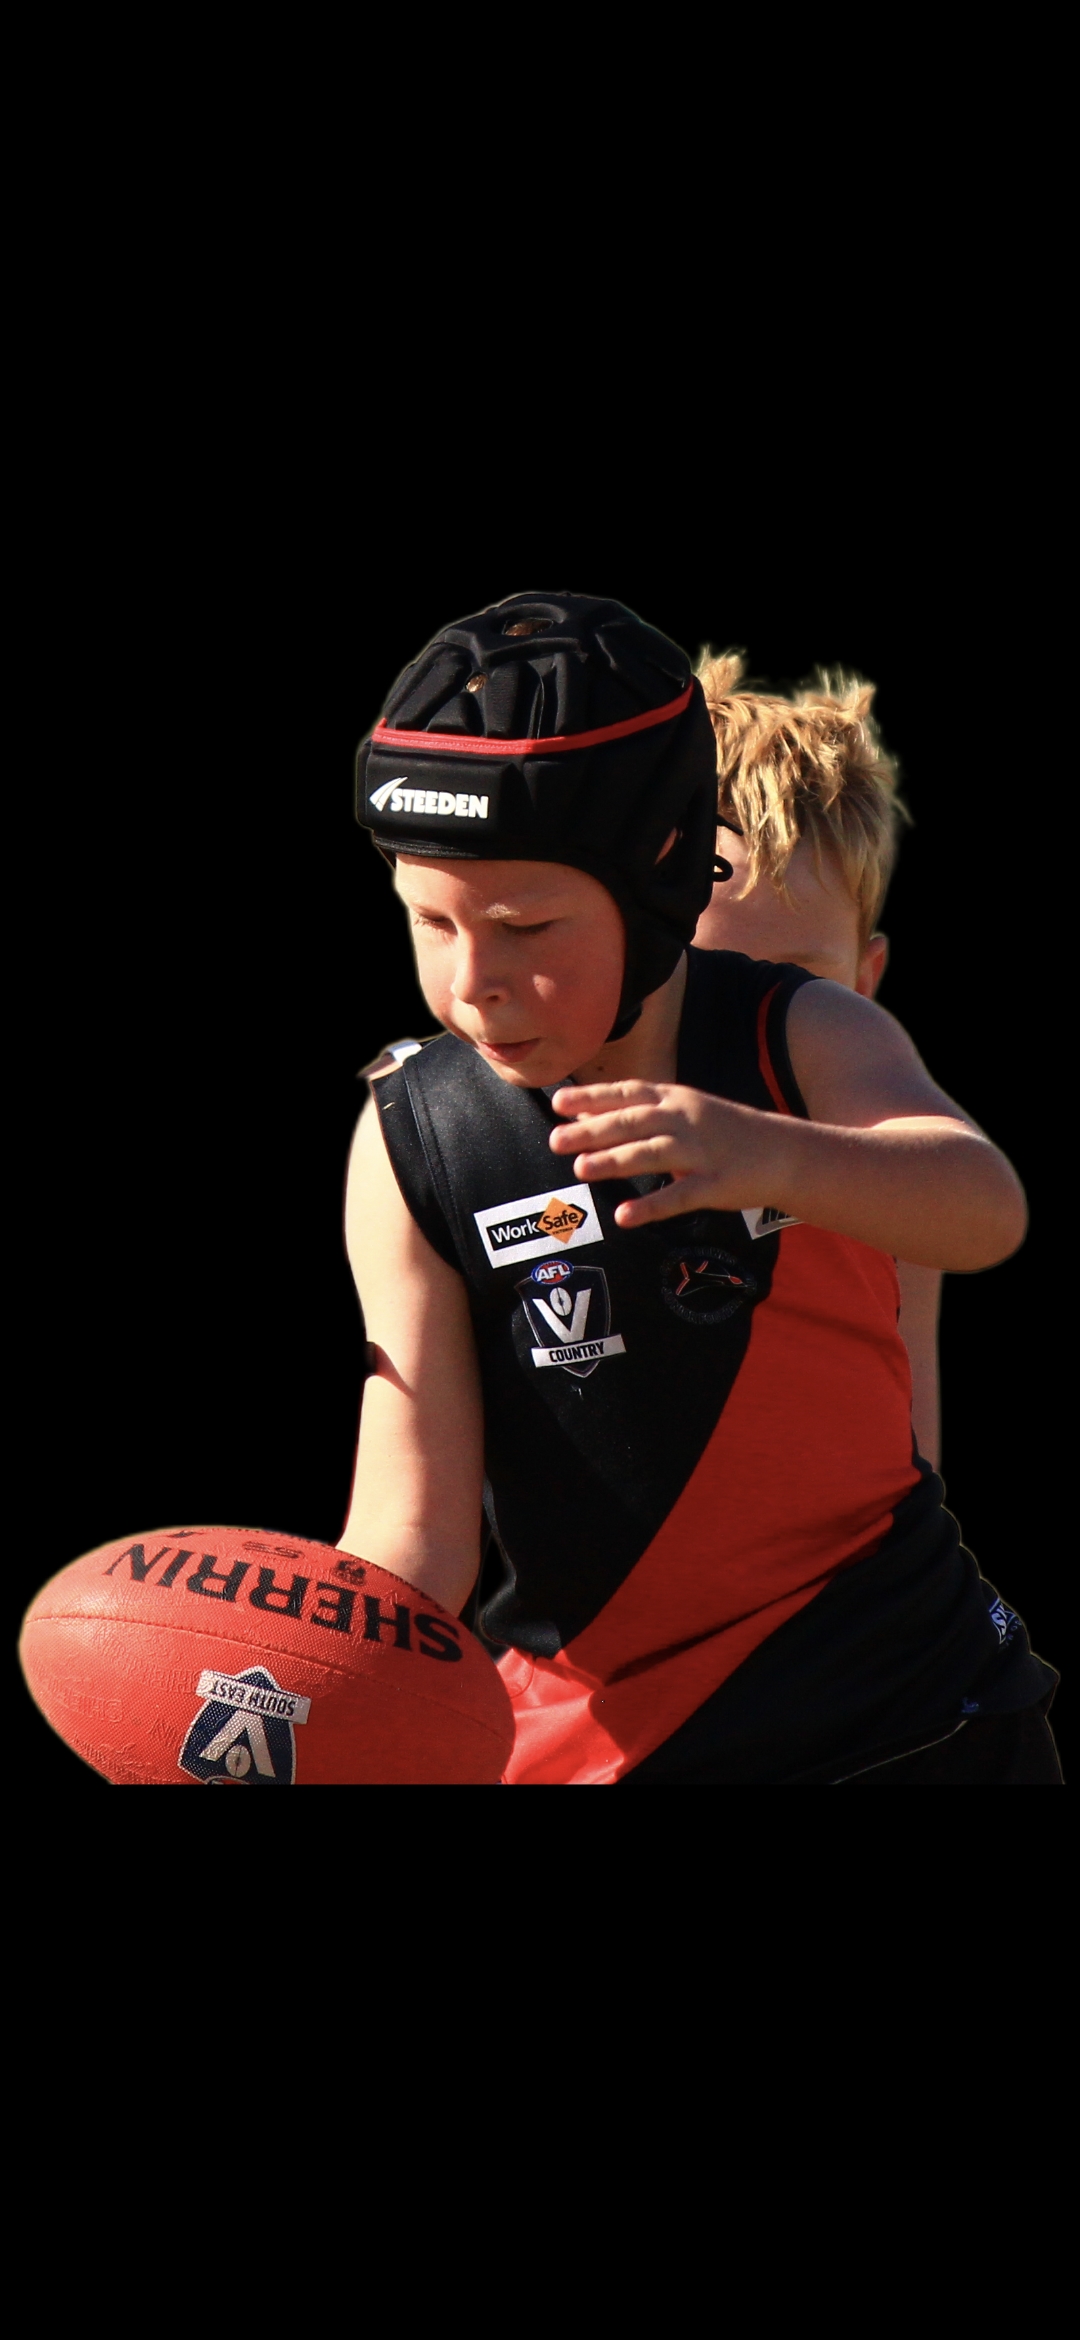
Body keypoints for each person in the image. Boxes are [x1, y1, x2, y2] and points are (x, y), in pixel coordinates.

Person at [339, 588, 1060, 1785]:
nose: (475, 982)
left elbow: (984, 1210)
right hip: (601, 1750)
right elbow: (413, 1535)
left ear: (660, 880)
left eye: (527, 926)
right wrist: (298, 1688)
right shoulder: (414, 1136)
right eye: (431, 921)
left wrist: (770, 1153)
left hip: (904, 1714)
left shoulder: (802, 1039)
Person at [690, 650, 941, 1468]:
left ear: (866, 981)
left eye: (796, 984)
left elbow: (910, 1446)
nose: (749, 1018)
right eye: (704, 976)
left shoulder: (899, 1172)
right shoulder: (500, 1140)